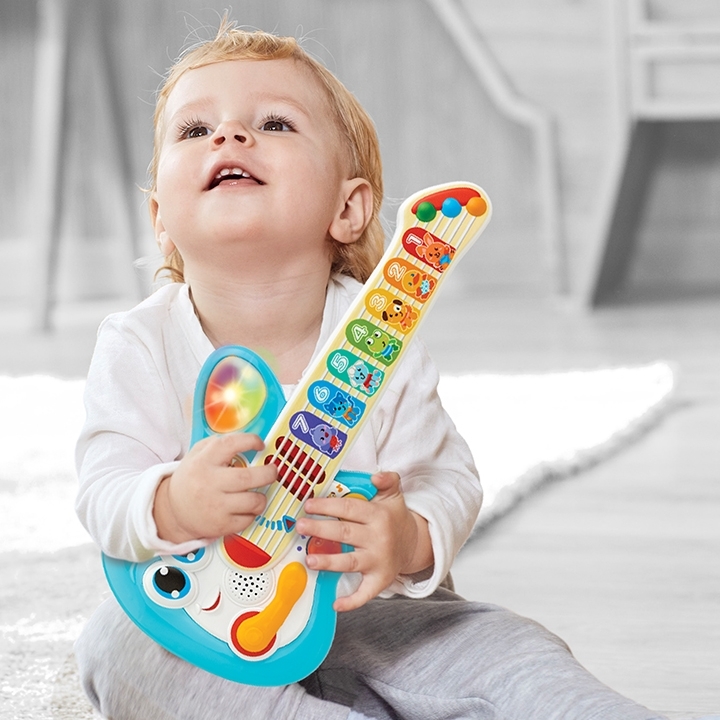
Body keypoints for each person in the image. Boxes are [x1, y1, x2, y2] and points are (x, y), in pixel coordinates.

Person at [74, 20, 673, 720]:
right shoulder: (139, 345)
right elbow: (103, 490)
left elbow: (445, 480)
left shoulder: (385, 339)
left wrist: (409, 539)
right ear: (159, 218)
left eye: (273, 123)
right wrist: (171, 502)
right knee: (113, 646)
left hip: (371, 615)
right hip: (200, 621)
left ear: (348, 208)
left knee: (512, 646)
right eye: (195, 129)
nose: (228, 136)